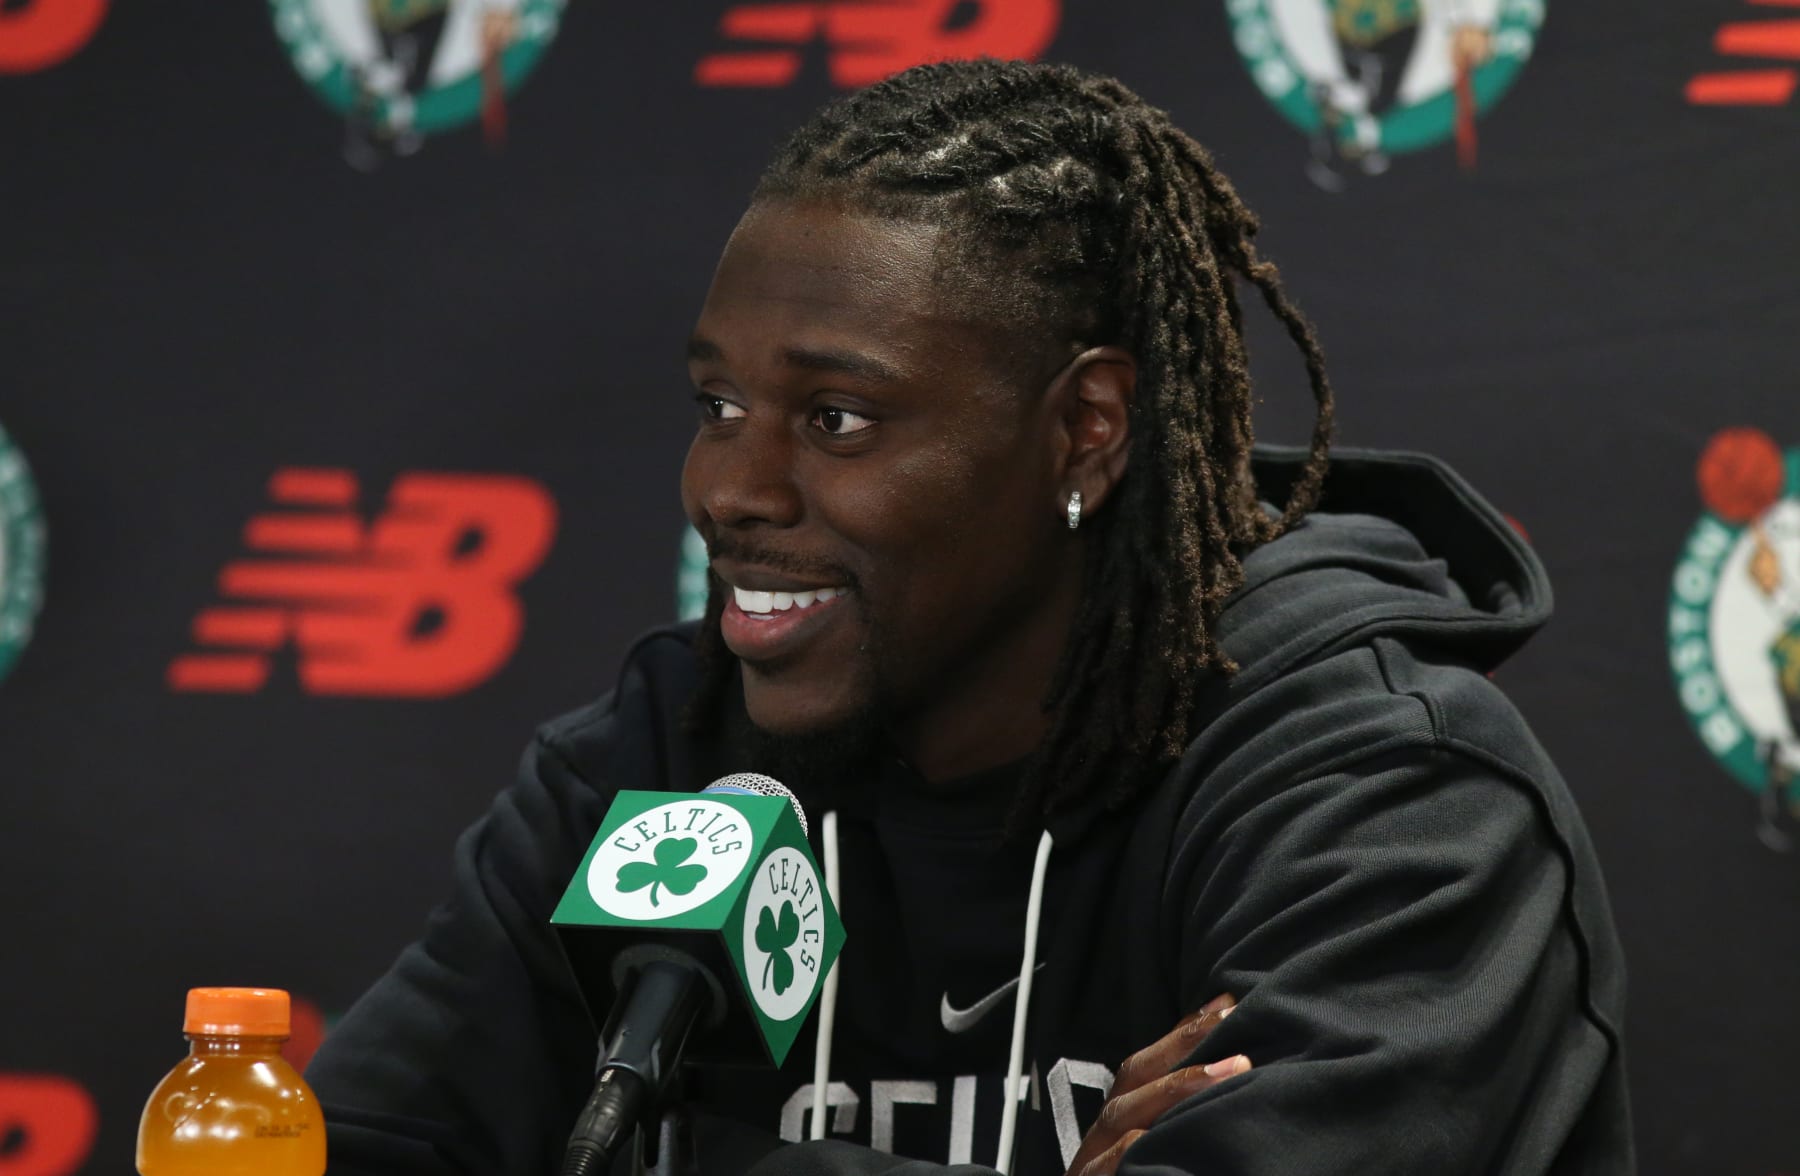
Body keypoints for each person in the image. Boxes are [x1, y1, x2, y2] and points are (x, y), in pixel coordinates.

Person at [306, 58, 1633, 1175]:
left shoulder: (1382, 798)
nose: (732, 490)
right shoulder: (663, 768)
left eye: (838, 420)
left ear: (1083, 430)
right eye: (718, 408)